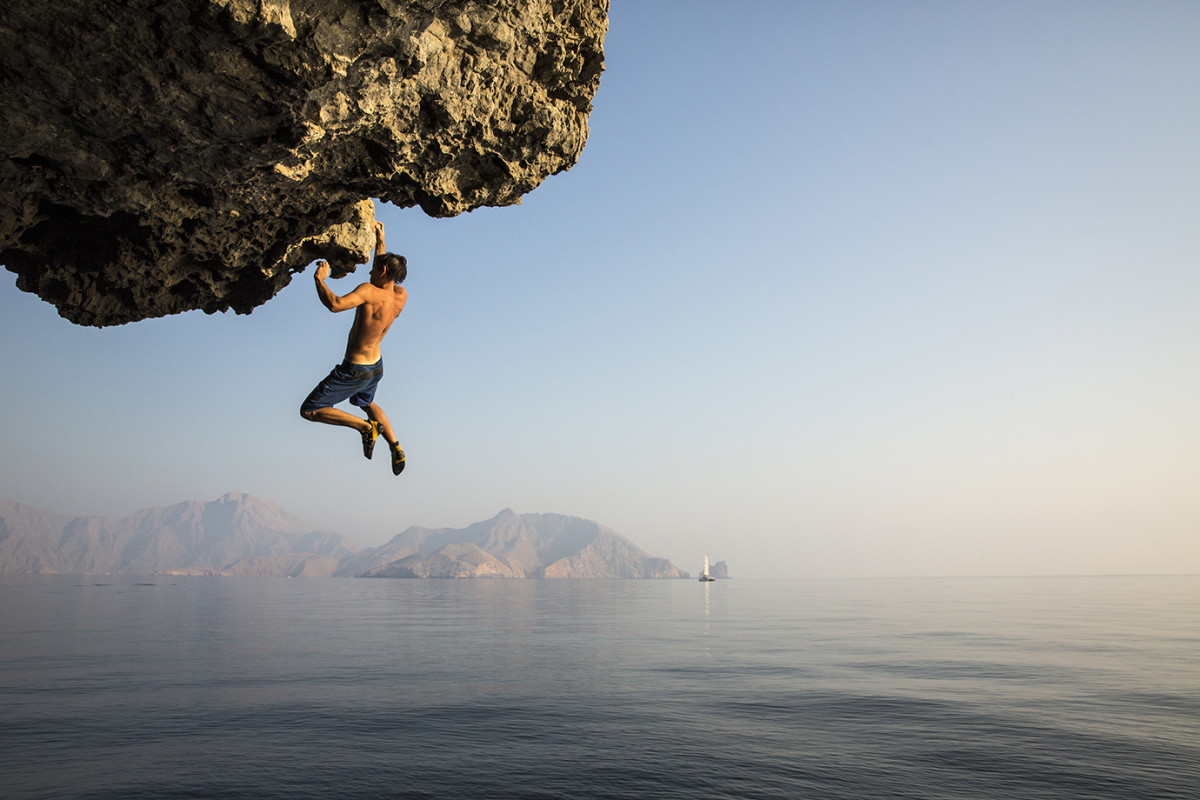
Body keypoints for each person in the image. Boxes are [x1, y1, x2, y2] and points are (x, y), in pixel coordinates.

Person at [300, 220, 408, 475]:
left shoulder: (368, 291)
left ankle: (365, 428)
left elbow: (335, 304)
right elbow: (381, 270)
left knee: (310, 410)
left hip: (354, 369)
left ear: (382, 272)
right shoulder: (400, 295)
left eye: (374, 269)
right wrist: (381, 236)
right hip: (376, 367)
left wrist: (319, 279)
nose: (368, 272)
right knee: (367, 402)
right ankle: (396, 446)